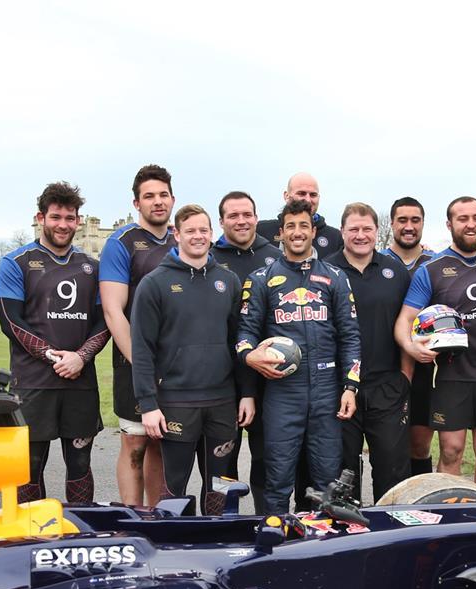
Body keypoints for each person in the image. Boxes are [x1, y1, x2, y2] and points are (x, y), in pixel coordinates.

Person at [237, 199, 361, 516]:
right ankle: (275, 548)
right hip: (282, 392)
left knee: (328, 482)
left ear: (313, 231)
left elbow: (350, 335)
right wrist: (250, 356)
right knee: (277, 480)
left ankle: (326, 551)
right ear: (281, 233)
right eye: (290, 226)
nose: (297, 232)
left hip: (327, 392)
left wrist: (350, 386)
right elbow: (245, 333)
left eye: (303, 225)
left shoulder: (335, 277)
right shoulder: (261, 279)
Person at [131, 204, 254, 512]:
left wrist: (247, 394)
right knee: (174, 486)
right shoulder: (154, 283)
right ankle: (175, 550)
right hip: (176, 402)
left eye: (203, 230)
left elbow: (239, 344)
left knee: (221, 485)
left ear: (212, 234)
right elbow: (142, 348)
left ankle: (219, 545)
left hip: (222, 401)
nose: (197, 236)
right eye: (190, 231)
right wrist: (148, 405)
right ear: (177, 234)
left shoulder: (228, 281)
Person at [0, 181, 108, 503]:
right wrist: (55, 357)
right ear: (40, 218)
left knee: (81, 464)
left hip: (80, 383)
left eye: (70, 218)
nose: (63, 225)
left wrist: (80, 358)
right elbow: (10, 322)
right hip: (32, 384)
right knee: (30, 467)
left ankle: (80, 536)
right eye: (56, 217)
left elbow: (105, 321)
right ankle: (32, 541)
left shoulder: (91, 268)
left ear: (79, 221)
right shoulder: (15, 263)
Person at [395, 197, 476, 496]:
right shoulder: (431, 269)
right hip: (451, 376)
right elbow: (405, 320)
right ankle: (449, 520)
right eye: (462, 219)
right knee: (450, 450)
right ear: (450, 224)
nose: (470, 224)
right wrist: (412, 347)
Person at [325, 202, 412, 500]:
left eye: (367, 229)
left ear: (377, 231)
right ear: (342, 231)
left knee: (392, 469)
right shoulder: (326, 269)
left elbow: (408, 324)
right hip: (339, 387)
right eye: (354, 229)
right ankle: (347, 540)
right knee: (343, 471)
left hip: (387, 385)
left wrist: (405, 377)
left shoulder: (395, 271)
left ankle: (389, 536)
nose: (360, 235)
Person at [100, 164, 176, 505]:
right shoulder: (121, 243)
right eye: (149, 196)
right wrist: (143, 367)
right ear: (136, 203)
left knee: (161, 440)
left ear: (172, 199)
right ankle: (130, 522)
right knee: (135, 441)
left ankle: (155, 520)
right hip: (134, 361)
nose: (157, 202)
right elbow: (113, 311)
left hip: (176, 364)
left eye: (163, 195)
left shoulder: (182, 238)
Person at [211, 191, 280, 511]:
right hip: (222, 378)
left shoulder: (275, 256)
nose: (241, 221)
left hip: (268, 377)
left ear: (256, 217)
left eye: (247, 214)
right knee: (223, 462)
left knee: (266, 458)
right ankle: (226, 525)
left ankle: (266, 522)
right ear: (222, 220)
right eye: (233, 216)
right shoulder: (209, 259)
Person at [383, 197, 436, 477]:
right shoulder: (378, 262)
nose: (408, 226)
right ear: (391, 223)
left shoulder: (435, 263)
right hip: (384, 367)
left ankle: (420, 507)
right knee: (387, 446)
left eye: (415, 220)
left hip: (425, 367)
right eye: (402, 220)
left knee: (419, 444)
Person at [256, 172, 343, 258]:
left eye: (313, 195)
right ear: (286, 196)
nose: (308, 200)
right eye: (301, 193)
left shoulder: (335, 238)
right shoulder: (262, 230)